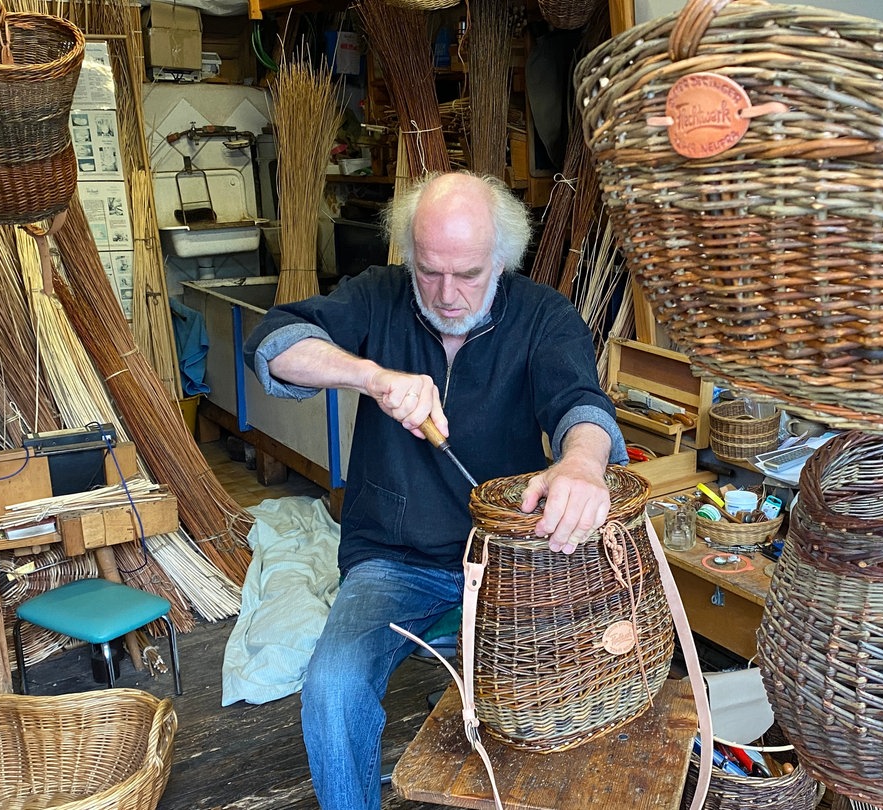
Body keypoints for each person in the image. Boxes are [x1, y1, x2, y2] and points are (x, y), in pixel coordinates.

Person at [243, 171, 626, 810]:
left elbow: (579, 404)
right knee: (332, 687)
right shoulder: (378, 296)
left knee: (563, 698)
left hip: (512, 559)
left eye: (468, 274)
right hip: (393, 560)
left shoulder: (543, 317)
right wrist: (371, 376)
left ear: (502, 259)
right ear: (408, 255)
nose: (447, 295)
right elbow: (276, 346)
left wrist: (584, 465)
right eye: (429, 271)